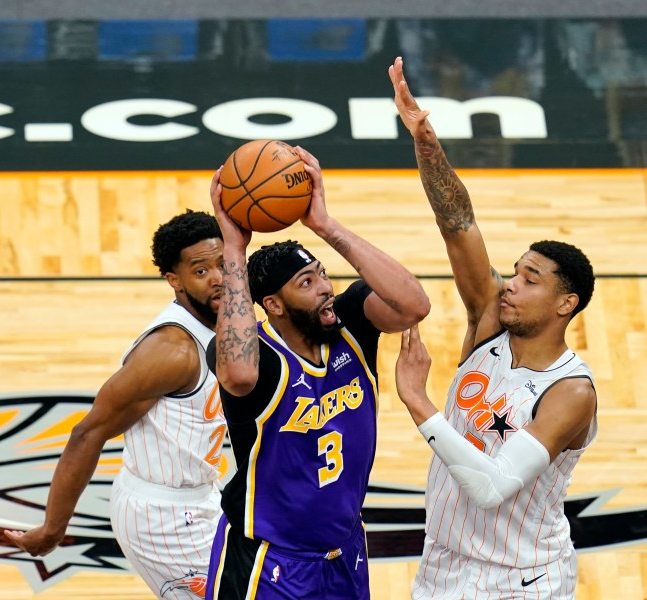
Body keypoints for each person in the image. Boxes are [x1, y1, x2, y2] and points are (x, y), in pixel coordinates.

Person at [389, 56, 598, 599]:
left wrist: (418, 402)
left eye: (530, 280)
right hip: (443, 564)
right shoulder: (489, 324)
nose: (510, 284)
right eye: (514, 271)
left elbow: (490, 487)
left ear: (564, 304)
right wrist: (425, 141)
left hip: (521, 580)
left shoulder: (570, 393)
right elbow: (457, 224)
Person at [204, 146, 430, 600]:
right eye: (306, 283)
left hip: (344, 551)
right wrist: (233, 248)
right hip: (268, 561)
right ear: (273, 305)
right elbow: (237, 376)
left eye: (322, 274)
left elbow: (413, 305)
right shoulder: (259, 357)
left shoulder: (351, 327)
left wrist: (324, 226)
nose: (327, 287)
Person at [5, 209, 229, 599]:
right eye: (201, 270)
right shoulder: (173, 353)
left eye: (224, 264)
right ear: (174, 280)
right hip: (163, 517)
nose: (219, 279)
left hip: (203, 496)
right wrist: (53, 529)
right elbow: (87, 433)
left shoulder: (224, 319)